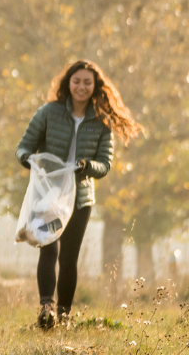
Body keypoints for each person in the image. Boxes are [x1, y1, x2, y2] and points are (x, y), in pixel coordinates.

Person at [15, 59, 142, 330]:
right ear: (68, 83)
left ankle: (64, 314)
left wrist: (87, 166)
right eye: (76, 81)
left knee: (69, 257)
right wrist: (29, 160)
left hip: (80, 198)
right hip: (48, 193)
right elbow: (23, 147)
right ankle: (46, 307)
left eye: (87, 82)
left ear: (95, 86)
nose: (81, 87)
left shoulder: (101, 121)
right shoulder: (49, 112)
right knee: (48, 249)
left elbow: (104, 164)